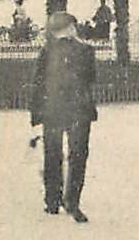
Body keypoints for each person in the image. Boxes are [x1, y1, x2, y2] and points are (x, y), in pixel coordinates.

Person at [30, 12, 97, 223]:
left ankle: (52, 200)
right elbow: (90, 79)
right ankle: (73, 202)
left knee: (52, 153)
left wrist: (36, 114)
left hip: (52, 110)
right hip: (79, 110)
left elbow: (38, 84)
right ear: (71, 28)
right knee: (78, 155)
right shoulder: (86, 51)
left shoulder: (46, 52)